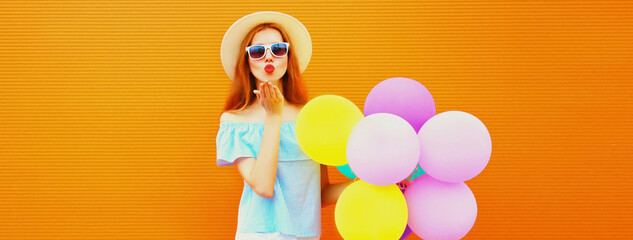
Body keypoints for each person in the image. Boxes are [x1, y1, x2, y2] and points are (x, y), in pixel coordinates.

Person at [215, 11, 354, 240]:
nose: (268, 58)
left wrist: (370, 185)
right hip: (259, 234)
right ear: (247, 63)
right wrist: (273, 116)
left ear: (288, 58)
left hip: (306, 235)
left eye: (278, 49)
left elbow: (320, 194)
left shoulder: (311, 118)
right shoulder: (235, 122)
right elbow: (263, 186)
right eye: (258, 52)